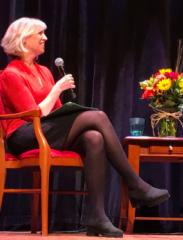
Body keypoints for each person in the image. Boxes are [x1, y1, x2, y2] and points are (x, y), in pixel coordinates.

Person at [0, 17, 170, 238]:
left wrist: (63, 103)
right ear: (23, 39)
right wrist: (56, 90)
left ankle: (96, 218)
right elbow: (33, 114)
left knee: (94, 138)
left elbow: (56, 113)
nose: (45, 38)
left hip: (46, 129)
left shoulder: (44, 72)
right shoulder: (10, 74)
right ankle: (135, 185)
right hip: (22, 135)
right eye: (40, 33)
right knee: (98, 116)